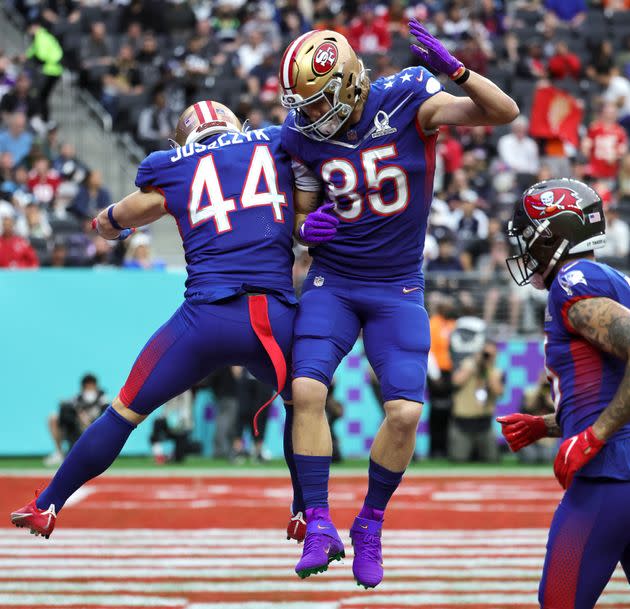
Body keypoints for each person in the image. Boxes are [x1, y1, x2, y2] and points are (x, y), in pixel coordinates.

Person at [278, 24, 518, 587]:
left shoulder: (409, 96)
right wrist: (304, 228)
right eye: (302, 105)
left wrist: (458, 71)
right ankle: (318, 522)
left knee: (406, 412)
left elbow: (502, 112)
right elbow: (302, 220)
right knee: (306, 390)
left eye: (317, 101)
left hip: (397, 287)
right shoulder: (302, 134)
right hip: (333, 281)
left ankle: (370, 523)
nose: (310, 115)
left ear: (348, 84)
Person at [10, 100, 299, 539]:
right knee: (306, 406)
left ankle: (48, 503)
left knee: (124, 411)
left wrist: (106, 222)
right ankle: (307, 513)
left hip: (206, 318)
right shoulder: (276, 141)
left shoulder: (172, 167)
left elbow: (121, 216)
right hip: (273, 318)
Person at [497, 178, 630, 608]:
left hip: (608, 478)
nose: (525, 248)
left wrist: (595, 435)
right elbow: (605, 392)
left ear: (556, 234)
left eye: (531, 237)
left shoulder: (573, 280)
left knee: (560, 600)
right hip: (619, 468)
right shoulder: (606, 277)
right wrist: (548, 425)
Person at [448, 339, 504, 462]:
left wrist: (488, 370)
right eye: (485, 354)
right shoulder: (466, 365)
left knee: (492, 460)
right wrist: (473, 366)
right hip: (462, 423)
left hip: (484, 424)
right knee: (458, 459)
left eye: (491, 355)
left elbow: (498, 392)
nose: (487, 357)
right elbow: (456, 382)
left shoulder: (495, 372)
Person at [44, 374, 109, 467]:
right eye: (87, 386)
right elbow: (67, 413)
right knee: (53, 418)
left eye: (91, 385)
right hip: (77, 429)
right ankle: (59, 453)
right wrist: (78, 413)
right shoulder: (76, 399)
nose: (89, 388)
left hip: (95, 429)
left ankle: (98, 453)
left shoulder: (103, 399)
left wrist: (89, 421)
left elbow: (105, 417)